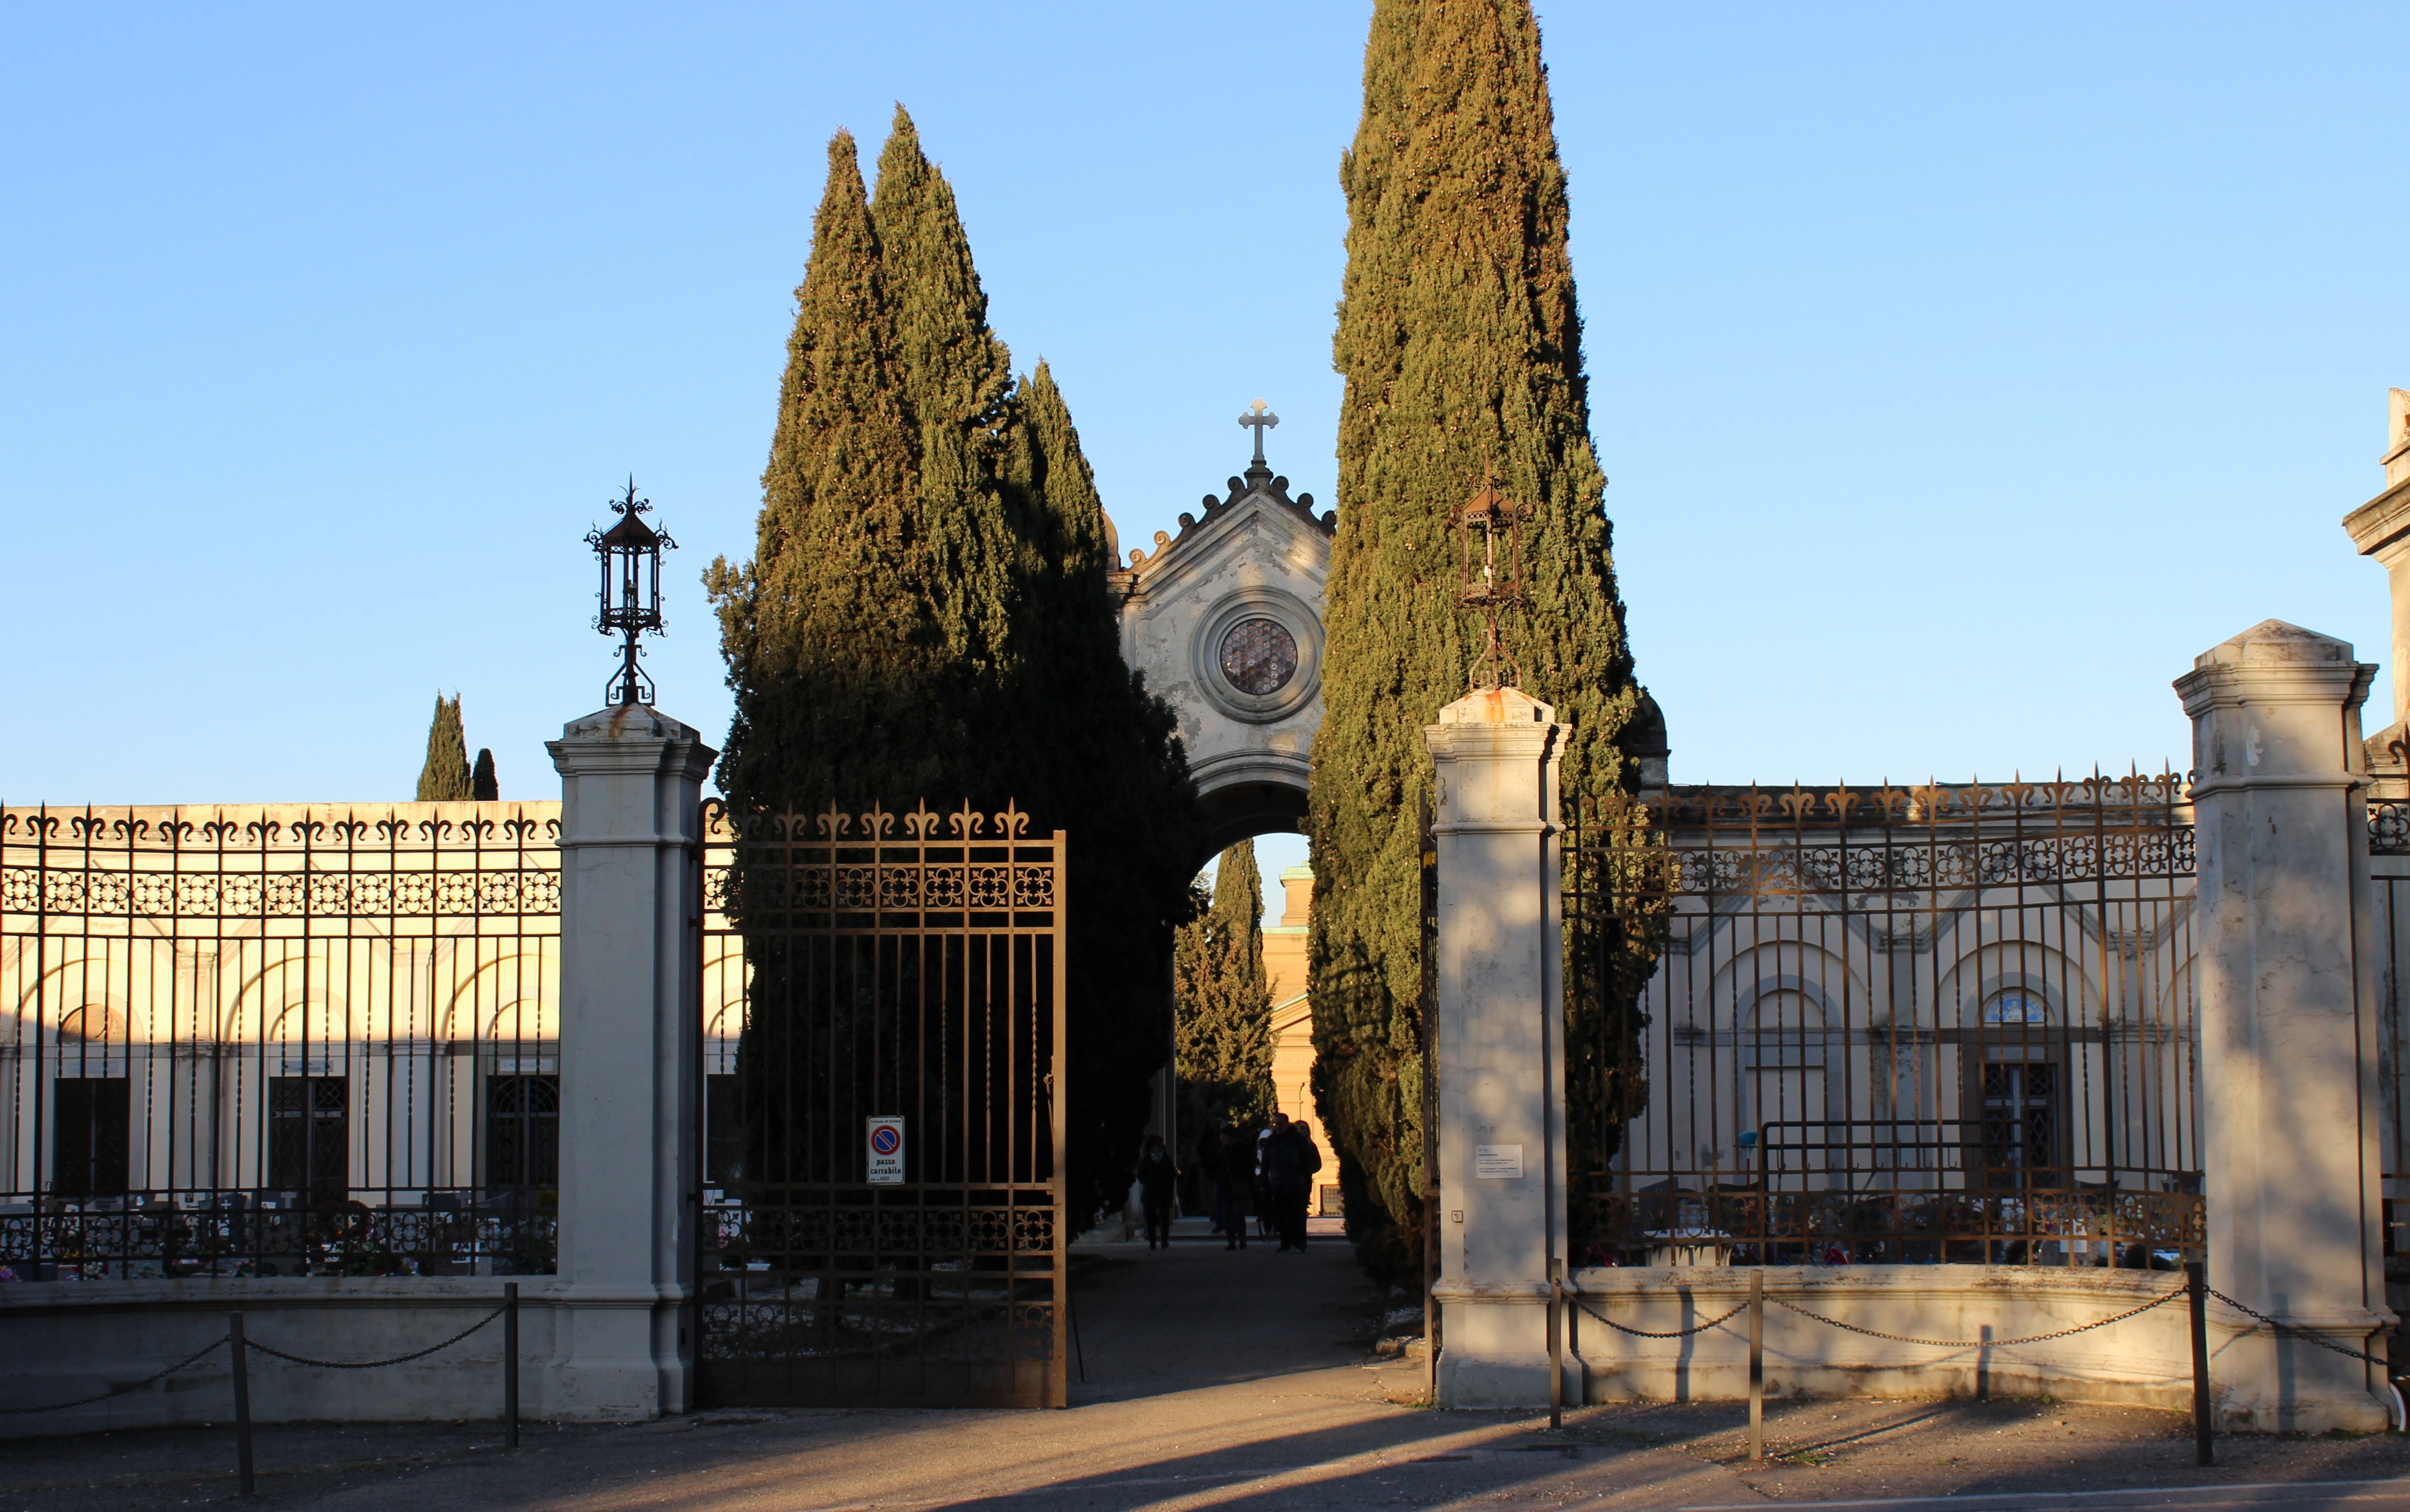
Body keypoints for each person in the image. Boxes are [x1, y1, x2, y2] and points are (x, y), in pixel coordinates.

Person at [1260, 1113, 1322, 1252]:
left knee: (1297, 1214)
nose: (1279, 1126)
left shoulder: (1298, 1140)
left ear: (1287, 1124)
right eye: (1277, 1124)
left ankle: (1299, 1242)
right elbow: (1265, 1164)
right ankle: (1285, 1243)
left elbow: (1311, 1160)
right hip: (1278, 1183)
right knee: (1281, 1216)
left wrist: (1301, 1172)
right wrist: (1264, 1184)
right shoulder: (1271, 1141)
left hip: (1296, 1184)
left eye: (1281, 1123)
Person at [1217, 1122, 1256, 1250]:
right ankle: (1236, 1242)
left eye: (1223, 1137)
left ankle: (1237, 1241)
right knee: (1230, 1215)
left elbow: (1247, 1166)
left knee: (1235, 1213)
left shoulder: (1237, 1148)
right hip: (1230, 1185)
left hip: (1236, 1185)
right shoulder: (1226, 1149)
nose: (1222, 1139)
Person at [1135, 1133, 1177, 1250]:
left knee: (1165, 1218)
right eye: (1156, 1146)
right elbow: (1140, 1175)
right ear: (1151, 1147)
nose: (1159, 1148)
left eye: (1160, 1145)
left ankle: (1164, 1241)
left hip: (1164, 1192)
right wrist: (1149, 1182)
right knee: (1150, 1219)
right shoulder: (1146, 1159)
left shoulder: (1166, 1158)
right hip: (1150, 1193)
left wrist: (1169, 1184)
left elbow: (1172, 1173)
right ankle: (1152, 1242)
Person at [1194, 1119, 1227, 1235]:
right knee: (1214, 1197)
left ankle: (1222, 1221)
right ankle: (1219, 1220)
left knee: (1219, 1198)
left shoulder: (1222, 1141)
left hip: (1221, 1173)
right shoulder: (1211, 1139)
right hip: (1214, 1172)